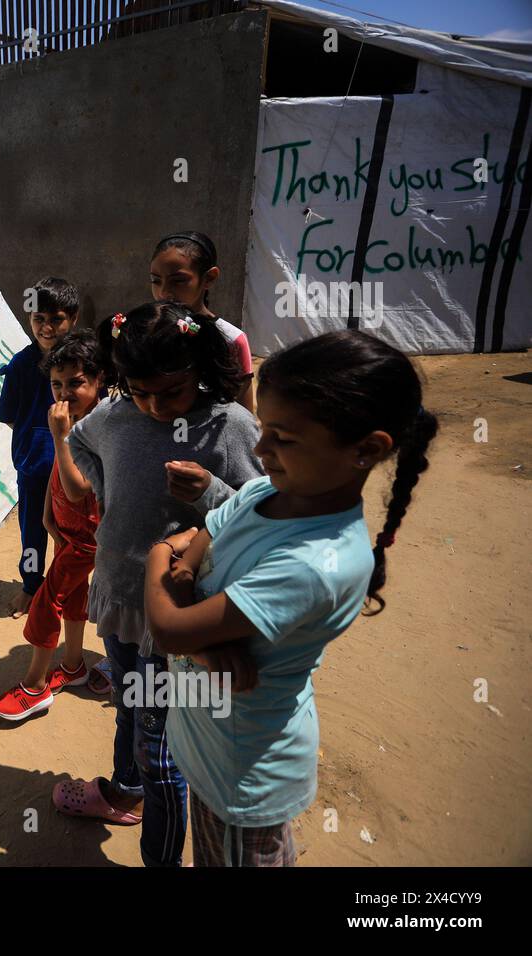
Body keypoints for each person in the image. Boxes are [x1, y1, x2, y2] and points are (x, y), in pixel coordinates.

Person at [145, 329, 437, 866]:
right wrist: (204, 645)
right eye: (263, 429)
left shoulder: (317, 563)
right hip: (208, 739)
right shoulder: (267, 491)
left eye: (283, 436)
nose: (260, 449)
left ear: (367, 449)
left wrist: (160, 557)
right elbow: (206, 537)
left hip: (240, 773)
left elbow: (167, 625)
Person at [51, 301, 263, 867]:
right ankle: (125, 792)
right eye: (138, 390)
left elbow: (267, 513)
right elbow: (81, 442)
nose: (152, 406)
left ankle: (158, 856)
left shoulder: (231, 425)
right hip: (122, 597)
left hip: (184, 620)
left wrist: (214, 492)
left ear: (199, 368)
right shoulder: (117, 417)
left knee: (163, 755)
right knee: (129, 705)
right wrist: (110, 494)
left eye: (168, 392)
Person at [0, 330, 107, 720]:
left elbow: (78, 490)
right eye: (57, 384)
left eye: (76, 382)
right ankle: (73, 665)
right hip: (66, 528)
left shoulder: (99, 430)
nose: (64, 392)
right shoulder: (74, 419)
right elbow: (58, 474)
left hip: (87, 535)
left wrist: (60, 436)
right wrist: (45, 511)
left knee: (45, 602)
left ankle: (36, 686)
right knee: (73, 598)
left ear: (99, 380)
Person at [0, 277, 80, 618]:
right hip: (34, 468)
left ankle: (67, 588)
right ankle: (32, 585)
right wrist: (36, 443)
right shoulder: (19, 365)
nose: (46, 327)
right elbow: (11, 416)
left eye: (56, 319)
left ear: (73, 319)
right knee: (33, 529)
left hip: (76, 468)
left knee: (72, 530)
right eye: (38, 319)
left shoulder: (84, 365)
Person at [149, 231, 255, 413]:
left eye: (178, 281)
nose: (164, 292)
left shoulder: (230, 339)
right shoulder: (144, 332)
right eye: (156, 280)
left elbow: (244, 415)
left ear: (209, 278)